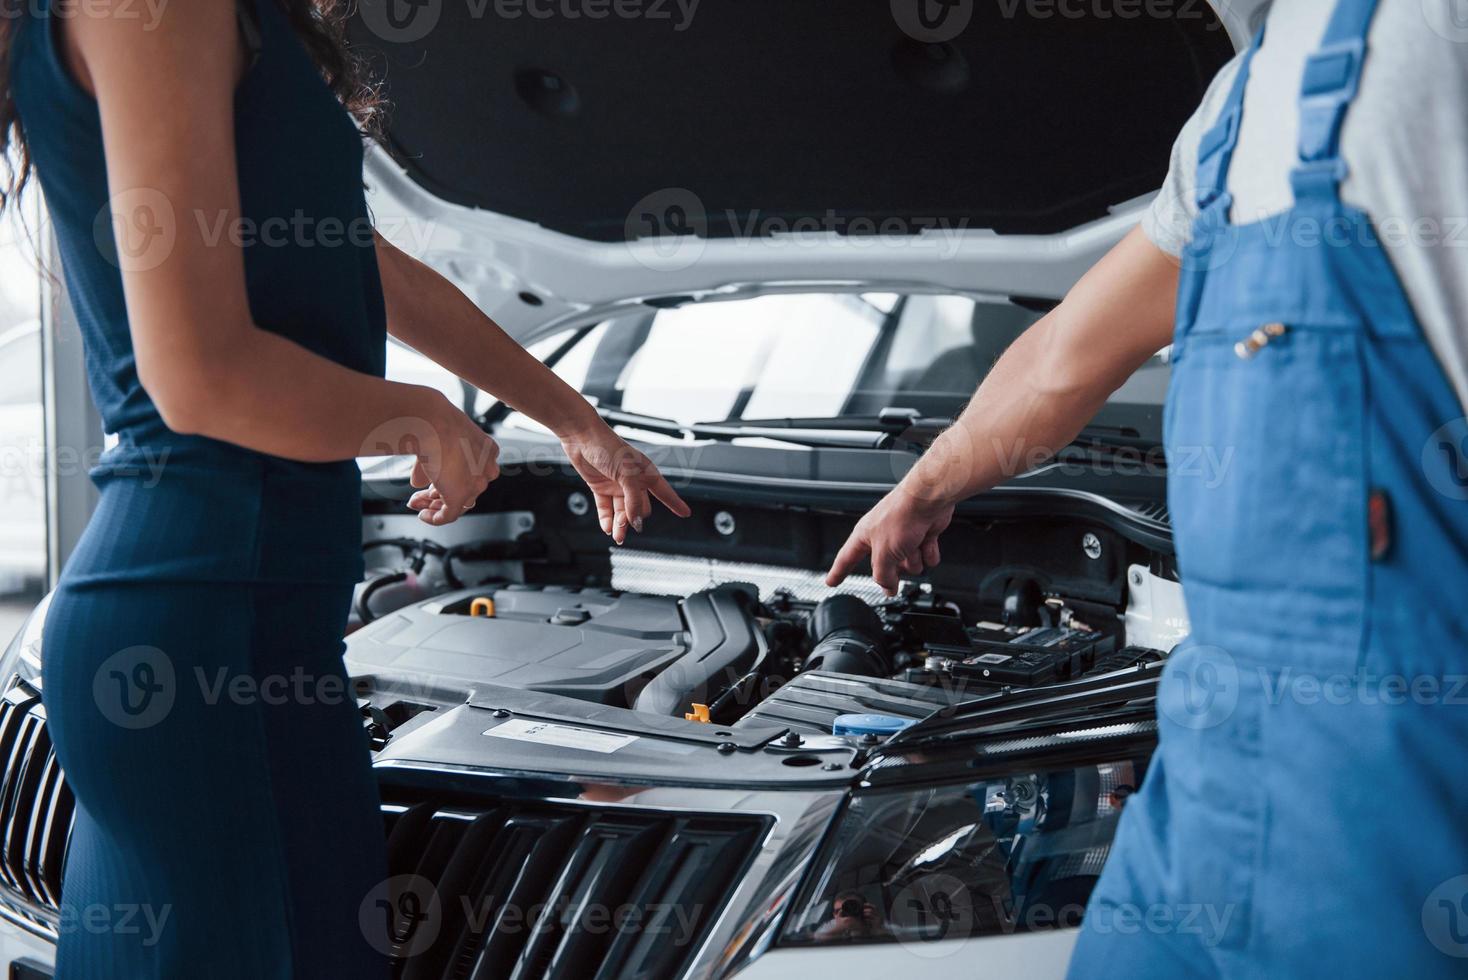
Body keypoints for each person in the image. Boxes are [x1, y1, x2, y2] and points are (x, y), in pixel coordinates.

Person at [1, 0, 689, 975]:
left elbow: (357, 259)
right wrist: (419, 415)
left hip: (231, 616)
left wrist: (572, 418)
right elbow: (198, 373)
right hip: (208, 628)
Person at [828, 0, 1468, 975]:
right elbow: (1062, 356)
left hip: (1401, 827)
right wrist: (925, 484)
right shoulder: (1234, 108)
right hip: (1201, 799)